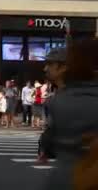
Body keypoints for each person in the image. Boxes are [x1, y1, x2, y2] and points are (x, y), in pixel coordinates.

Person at [38, 40, 98, 190]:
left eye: (50, 64)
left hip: (66, 178)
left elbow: (49, 141)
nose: (45, 69)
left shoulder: (57, 101)